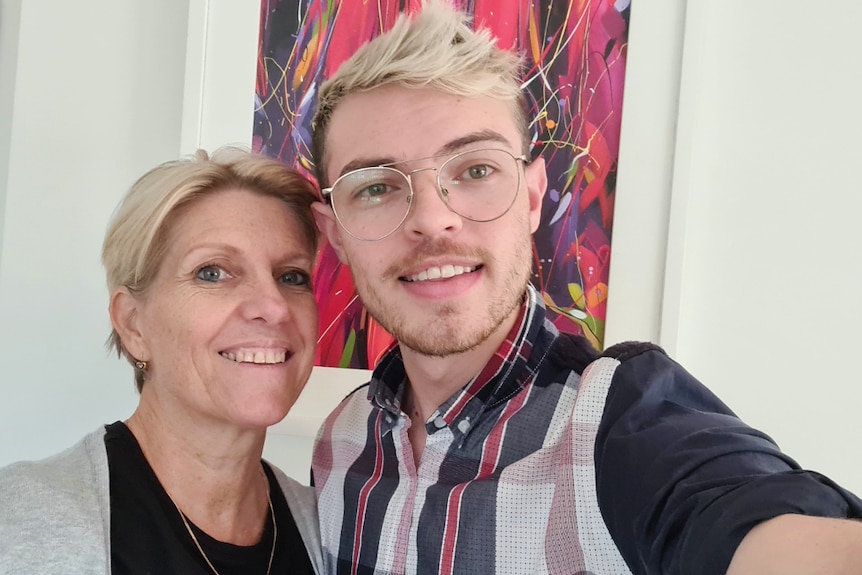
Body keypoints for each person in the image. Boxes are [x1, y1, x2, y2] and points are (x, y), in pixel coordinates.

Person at [307, 2, 862, 574]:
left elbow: (740, 516)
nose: (431, 218)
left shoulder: (619, 425)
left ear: (529, 198)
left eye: (475, 170)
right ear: (337, 235)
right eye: (375, 187)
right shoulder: (339, 443)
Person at [0, 148, 323, 574]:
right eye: (212, 272)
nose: (274, 306)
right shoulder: (21, 525)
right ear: (133, 325)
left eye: (292, 276)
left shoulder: (327, 527)